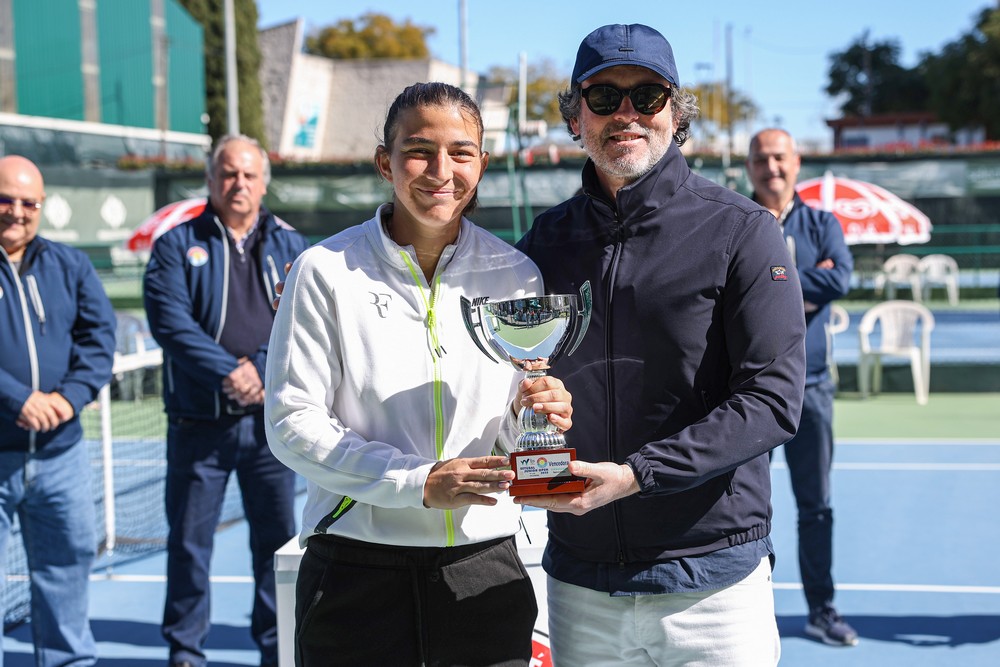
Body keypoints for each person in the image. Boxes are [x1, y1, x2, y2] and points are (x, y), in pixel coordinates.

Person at [513, 24, 807, 666]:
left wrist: (636, 477)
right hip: (581, 579)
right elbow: (508, 372)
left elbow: (772, 401)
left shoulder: (743, 231)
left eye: (647, 96)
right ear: (575, 117)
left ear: (676, 115)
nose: (626, 113)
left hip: (711, 581)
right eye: (603, 97)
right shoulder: (544, 241)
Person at [264, 82, 573, 667]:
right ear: (386, 162)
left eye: (461, 152)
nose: (441, 171)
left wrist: (529, 414)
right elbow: (291, 423)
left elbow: (508, 444)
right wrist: (417, 481)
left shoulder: (516, 274)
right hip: (355, 569)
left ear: (482, 165)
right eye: (419, 151)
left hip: (485, 568)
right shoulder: (322, 271)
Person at [143, 134, 310, 667]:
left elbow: (303, 320)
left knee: (275, 545)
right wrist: (228, 372)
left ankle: (276, 649)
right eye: (228, 173)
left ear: (263, 183)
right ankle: (185, 652)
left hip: (271, 427)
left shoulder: (293, 246)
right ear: (211, 179)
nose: (239, 183)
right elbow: (169, 322)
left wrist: (260, 368)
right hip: (198, 424)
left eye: (249, 174)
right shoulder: (175, 245)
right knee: (189, 546)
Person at [0, 155, 116, 666]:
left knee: (66, 572)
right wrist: (17, 399)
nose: (17, 211)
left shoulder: (70, 265)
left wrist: (68, 399)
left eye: (29, 203)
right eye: (6, 199)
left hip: (61, 456)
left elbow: (99, 340)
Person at [747, 128, 857, 646]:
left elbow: (840, 280)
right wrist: (804, 280)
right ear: (749, 166)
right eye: (761, 159)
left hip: (811, 388)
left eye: (779, 157)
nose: (771, 167)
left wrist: (769, 282)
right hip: (748, 392)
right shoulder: (731, 218)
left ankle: (821, 609)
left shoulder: (822, 223)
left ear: (796, 162)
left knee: (816, 506)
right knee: (747, 509)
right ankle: (749, 611)